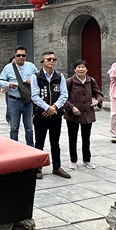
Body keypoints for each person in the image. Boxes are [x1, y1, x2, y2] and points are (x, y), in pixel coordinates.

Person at [31, 51, 70, 179]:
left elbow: (64, 94)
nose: (52, 61)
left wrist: (54, 107)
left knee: (55, 142)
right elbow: (35, 96)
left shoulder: (59, 76)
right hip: (40, 115)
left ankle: (57, 167)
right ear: (42, 61)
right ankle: (37, 167)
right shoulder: (36, 77)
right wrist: (47, 107)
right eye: (49, 59)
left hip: (56, 115)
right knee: (39, 142)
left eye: (54, 59)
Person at [64, 60, 103, 169]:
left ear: (87, 69)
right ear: (74, 69)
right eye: (78, 67)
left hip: (87, 113)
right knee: (72, 138)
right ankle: (73, 160)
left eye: (83, 67)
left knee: (86, 138)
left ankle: (87, 160)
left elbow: (98, 94)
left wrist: (97, 101)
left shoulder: (91, 81)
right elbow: (63, 97)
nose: (81, 69)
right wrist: (72, 107)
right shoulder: (69, 81)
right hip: (73, 114)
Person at [0, 47, 37, 146]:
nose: (21, 57)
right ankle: (14, 147)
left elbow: (38, 79)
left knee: (29, 128)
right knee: (14, 127)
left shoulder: (31, 66)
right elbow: (0, 81)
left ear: (26, 56)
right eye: (18, 55)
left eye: (23, 55)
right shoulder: (8, 68)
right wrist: (8, 84)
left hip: (28, 101)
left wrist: (32, 81)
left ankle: (30, 147)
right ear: (14, 56)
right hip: (14, 101)